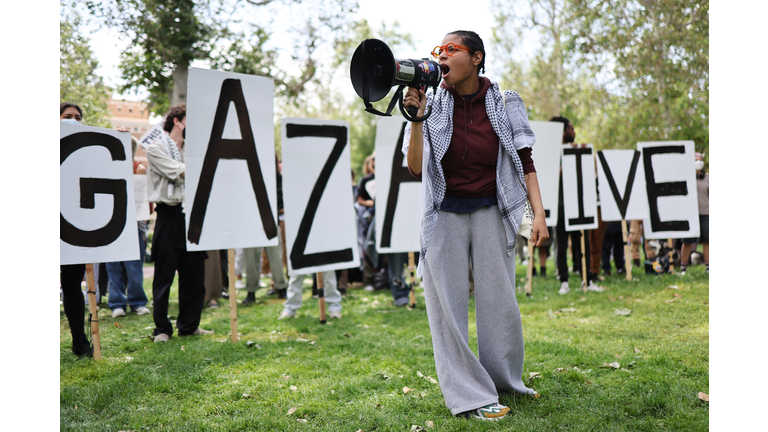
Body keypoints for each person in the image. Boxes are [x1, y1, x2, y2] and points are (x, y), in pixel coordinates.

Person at [403, 30, 546, 420]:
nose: (442, 56)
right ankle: (469, 396)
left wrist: (539, 215)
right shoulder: (431, 104)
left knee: (500, 305)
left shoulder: (504, 101)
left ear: (477, 57)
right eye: (439, 50)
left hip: (489, 212)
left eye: (452, 49)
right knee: (447, 309)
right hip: (444, 215)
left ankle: (504, 381)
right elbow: (415, 167)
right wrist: (416, 119)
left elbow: (526, 162)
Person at [146, 104, 212, 342]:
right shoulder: (156, 148)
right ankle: (162, 329)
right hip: (168, 215)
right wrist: (207, 167)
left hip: (191, 215)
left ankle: (189, 324)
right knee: (164, 276)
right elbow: (179, 172)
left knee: (194, 275)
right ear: (177, 121)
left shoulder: (194, 151)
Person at [550, 116, 604, 294]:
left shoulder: (578, 149)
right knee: (563, 244)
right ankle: (564, 281)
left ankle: (586, 279)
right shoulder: (554, 152)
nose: (574, 132)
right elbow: (551, 177)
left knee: (583, 241)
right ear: (563, 131)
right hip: (561, 205)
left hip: (579, 203)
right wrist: (567, 160)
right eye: (571, 128)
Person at [105, 136, 152, 317]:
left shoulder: (138, 169)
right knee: (113, 266)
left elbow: (143, 199)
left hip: (133, 224)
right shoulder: (108, 169)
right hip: (110, 224)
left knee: (134, 266)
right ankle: (117, 303)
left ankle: (137, 302)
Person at [59, 102, 92, 357]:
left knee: (72, 283)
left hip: (71, 226)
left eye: (78, 117)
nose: (73, 120)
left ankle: (79, 341)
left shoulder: (85, 152)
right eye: (67, 116)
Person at [680, 152, 709, 275]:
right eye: (696, 160)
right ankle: (683, 267)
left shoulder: (708, 178)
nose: (698, 162)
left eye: (700, 160)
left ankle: (708, 267)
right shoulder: (687, 177)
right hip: (690, 214)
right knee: (687, 241)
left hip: (705, 212)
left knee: (707, 240)